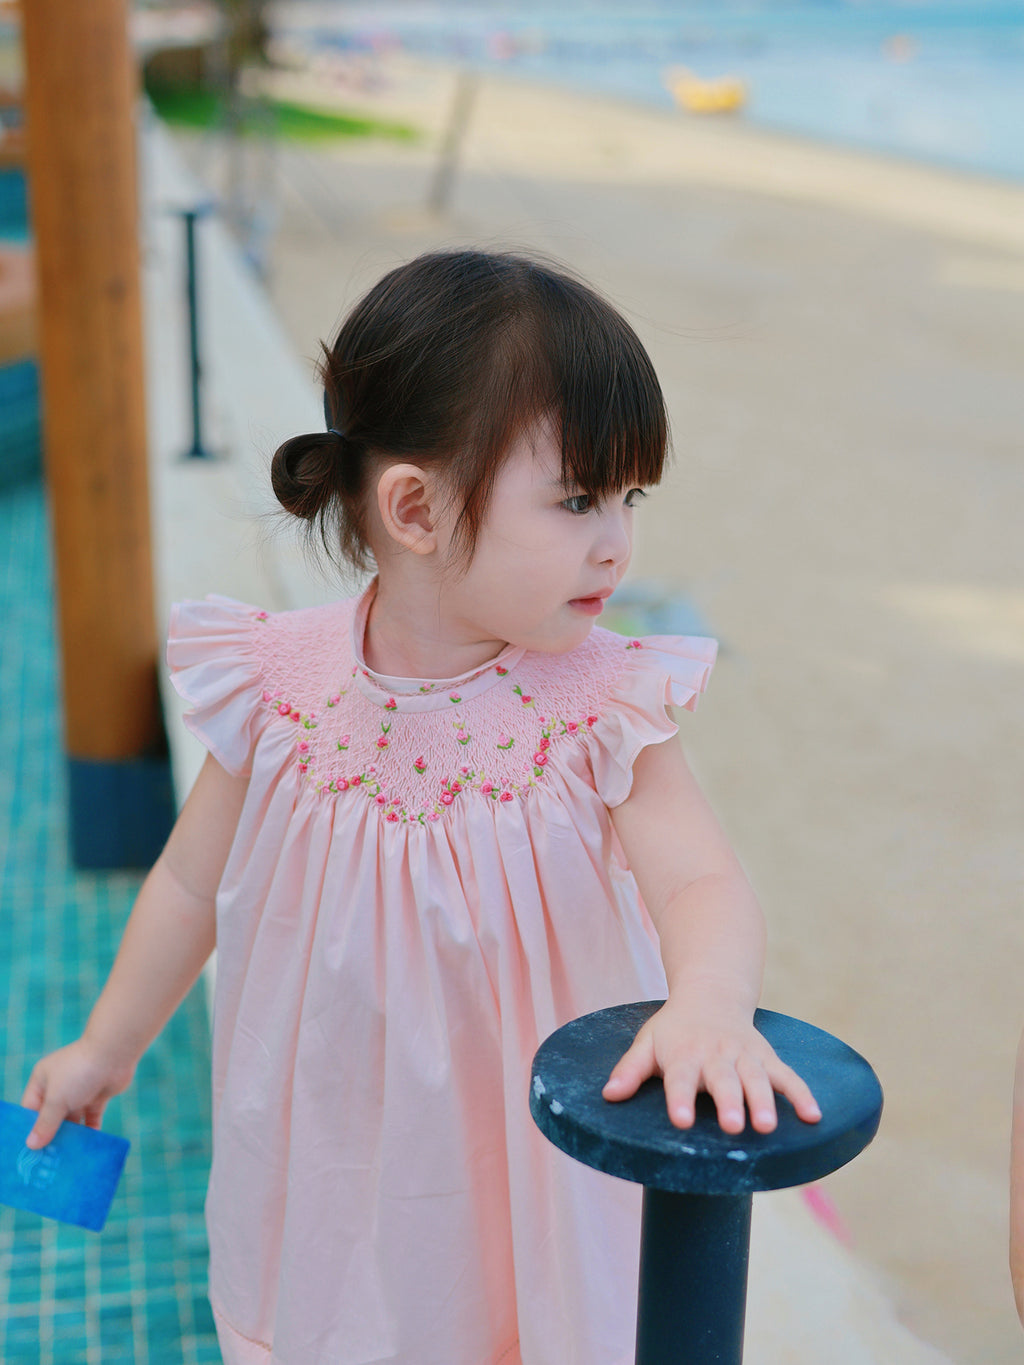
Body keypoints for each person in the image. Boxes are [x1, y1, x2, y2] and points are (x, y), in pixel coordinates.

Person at [22, 249, 820, 1364]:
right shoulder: (279, 685)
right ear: (415, 507)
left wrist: (709, 1003)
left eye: (628, 497)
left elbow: (699, 877)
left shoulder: (593, 701)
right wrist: (108, 1046)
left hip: (526, 1155)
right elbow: (191, 880)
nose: (616, 542)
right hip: (337, 1143)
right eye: (578, 497)